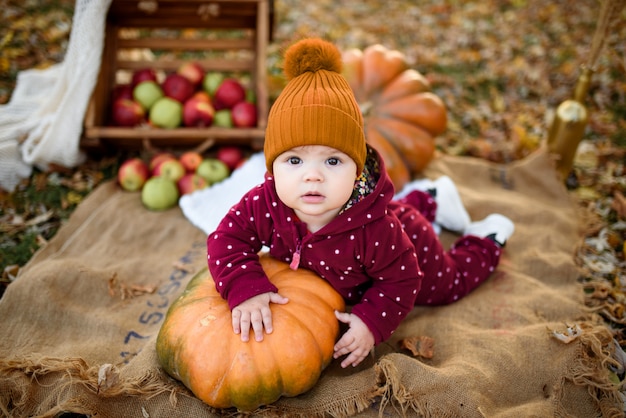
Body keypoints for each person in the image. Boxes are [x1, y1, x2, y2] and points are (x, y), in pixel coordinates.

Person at [207, 38, 514, 368]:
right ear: (272, 167)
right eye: (294, 161)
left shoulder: (379, 231)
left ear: (357, 171)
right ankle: (431, 198)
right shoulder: (264, 203)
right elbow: (226, 239)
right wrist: (245, 286)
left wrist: (371, 321)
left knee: (445, 286)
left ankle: (487, 238)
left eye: (333, 162)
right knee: (401, 209)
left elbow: (402, 280)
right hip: (387, 217)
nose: (313, 176)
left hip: (410, 237)